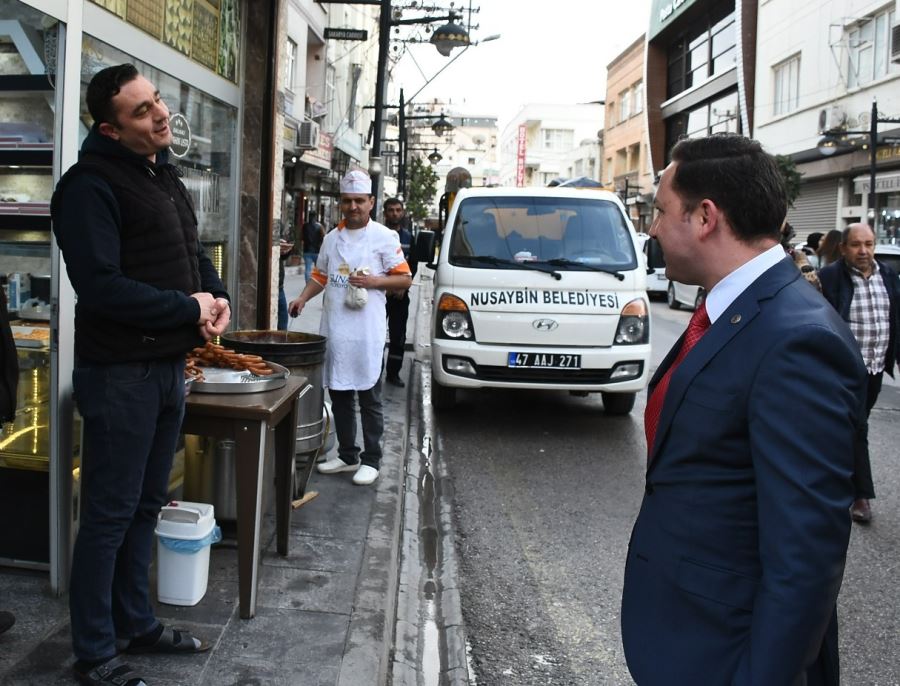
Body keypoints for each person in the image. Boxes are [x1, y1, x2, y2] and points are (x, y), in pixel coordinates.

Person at [621, 134, 866, 686]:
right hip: (686, 635)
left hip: (729, 654)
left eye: (661, 212)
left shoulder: (797, 339)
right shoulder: (728, 308)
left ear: (705, 216)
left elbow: (804, 558)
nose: (653, 229)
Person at [51, 64, 230, 686]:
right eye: (140, 111)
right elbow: (100, 288)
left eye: (157, 101)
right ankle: (95, 652)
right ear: (110, 128)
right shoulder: (88, 186)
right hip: (119, 375)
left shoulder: (161, 174)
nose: (159, 115)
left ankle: (135, 624)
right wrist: (188, 308)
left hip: (166, 367)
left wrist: (215, 296)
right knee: (109, 514)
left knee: (147, 506)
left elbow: (191, 251)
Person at [288, 171, 411, 486]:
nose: (353, 206)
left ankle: (372, 458)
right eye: (347, 201)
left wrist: (374, 282)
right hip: (337, 328)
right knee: (340, 392)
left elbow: (404, 279)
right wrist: (302, 298)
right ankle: (347, 454)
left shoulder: (385, 236)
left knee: (369, 395)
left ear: (371, 202)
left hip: (367, 330)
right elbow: (321, 275)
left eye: (359, 200)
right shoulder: (331, 238)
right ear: (341, 203)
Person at [819, 223, 900, 524]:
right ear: (843, 248)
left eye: (869, 244)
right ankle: (861, 495)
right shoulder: (829, 279)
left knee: (849, 427)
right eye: (856, 245)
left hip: (876, 367)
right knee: (858, 428)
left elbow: (895, 320)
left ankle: (830, 475)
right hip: (844, 371)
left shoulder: (888, 276)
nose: (863, 251)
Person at [382, 197, 417, 387]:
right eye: (391, 210)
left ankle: (393, 373)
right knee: (376, 335)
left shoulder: (409, 238)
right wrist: (385, 287)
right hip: (380, 295)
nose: (394, 214)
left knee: (398, 337)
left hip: (401, 296)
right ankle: (374, 371)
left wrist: (403, 286)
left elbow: (413, 266)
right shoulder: (377, 235)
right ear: (384, 213)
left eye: (398, 210)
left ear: (402, 212)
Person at [277, 235, 294, 330]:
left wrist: (285, 250)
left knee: (282, 323)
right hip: (267, 285)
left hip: (279, 286)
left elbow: (282, 257)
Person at [301, 214, 325, 284]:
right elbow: (324, 236)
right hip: (317, 251)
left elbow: (301, 237)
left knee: (307, 269)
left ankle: (308, 284)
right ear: (315, 218)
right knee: (318, 269)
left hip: (307, 250)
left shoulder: (305, 226)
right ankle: (316, 282)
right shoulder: (319, 226)